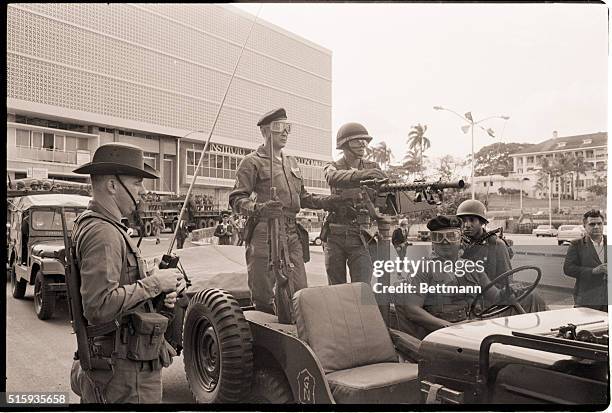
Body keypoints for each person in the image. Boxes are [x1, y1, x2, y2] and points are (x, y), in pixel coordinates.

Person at [70, 142, 185, 403]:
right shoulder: (103, 233)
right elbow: (98, 306)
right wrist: (154, 284)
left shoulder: (107, 228)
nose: (143, 191)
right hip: (124, 377)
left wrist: (154, 289)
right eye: (136, 183)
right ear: (112, 185)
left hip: (122, 367)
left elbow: (119, 288)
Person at [229, 108, 339, 314]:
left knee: (300, 290)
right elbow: (236, 199)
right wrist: (259, 208)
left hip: (290, 232)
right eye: (279, 127)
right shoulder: (252, 161)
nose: (285, 132)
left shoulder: (291, 162)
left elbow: (303, 197)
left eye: (288, 128)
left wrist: (331, 201)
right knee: (263, 291)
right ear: (264, 131)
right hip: (264, 230)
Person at [395, 215, 546, 339]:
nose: (445, 242)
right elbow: (412, 310)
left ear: (460, 239)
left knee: (533, 298)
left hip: (473, 325)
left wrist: (507, 293)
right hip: (443, 333)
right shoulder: (423, 268)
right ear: (432, 242)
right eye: (438, 237)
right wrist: (447, 326)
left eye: (451, 236)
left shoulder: (472, 267)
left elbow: (495, 297)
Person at [322, 122, 387, 285]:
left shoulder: (373, 167)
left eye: (364, 140)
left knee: (362, 287)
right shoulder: (333, 166)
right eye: (356, 141)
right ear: (344, 144)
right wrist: (362, 175)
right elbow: (332, 177)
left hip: (361, 234)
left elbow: (383, 196)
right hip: (335, 234)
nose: (362, 144)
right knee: (336, 288)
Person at [457, 199, 512, 286]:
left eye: (472, 220)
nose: (467, 225)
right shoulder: (459, 244)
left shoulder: (497, 244)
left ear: (482, 222)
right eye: (463, 221)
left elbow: (506, 281)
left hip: (489, 295)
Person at [563, 209, 607, 311]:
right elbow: (568, 269)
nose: (596, 227)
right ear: (585, 226)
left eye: (599, 223)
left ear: (603, 224)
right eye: (592, 224)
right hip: (587, 299)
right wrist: (593, 271)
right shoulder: (576, 245)